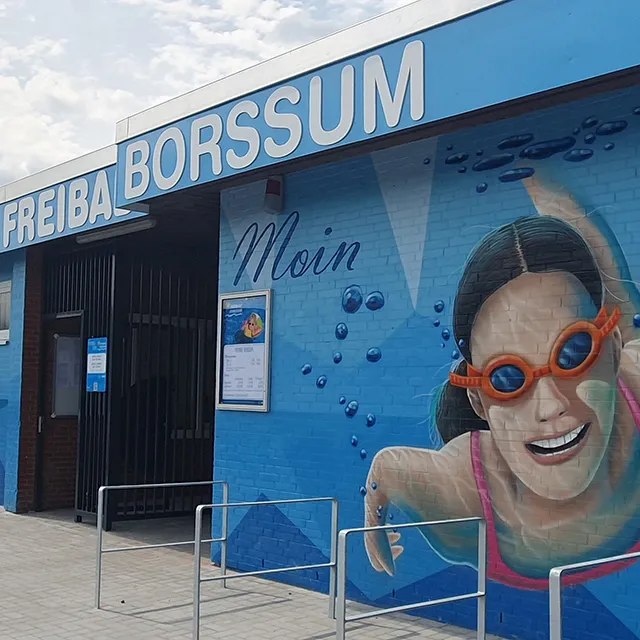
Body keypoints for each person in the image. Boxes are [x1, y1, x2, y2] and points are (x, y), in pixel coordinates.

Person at [364, 177, 640, 589]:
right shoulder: (459, 496)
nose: (549, 406)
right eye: (507, 378)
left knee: (620, 297)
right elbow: (387, 468)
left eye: (574, 353)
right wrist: (372, 518)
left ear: (611, 352)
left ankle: (545, 177)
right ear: (478, 401)